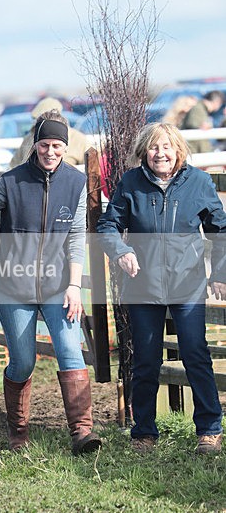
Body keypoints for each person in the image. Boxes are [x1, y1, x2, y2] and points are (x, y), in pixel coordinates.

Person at [0, 110, 102, 455]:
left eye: (57, 145)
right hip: (14, 286)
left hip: (59, 286)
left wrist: (74, 286)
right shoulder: (11, 181)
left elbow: (75, 237)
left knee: (71, 350)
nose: (50, 152)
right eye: (45, 144)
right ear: (35, 144)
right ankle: (18, 432)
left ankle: (82, 433)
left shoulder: (75, 183)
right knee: (23, 361)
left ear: (65, 146)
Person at [97, 122, 226, 454]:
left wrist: (220, 274)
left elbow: (219, 230)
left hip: (188, 285)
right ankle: (144, 433)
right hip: (143, 286)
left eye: (167, 146)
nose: (160, 153)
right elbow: (108, 225)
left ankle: (210, 430)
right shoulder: (131, 183)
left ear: (178, 150)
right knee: (146, 361)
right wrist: (121, 251)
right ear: (144, 152)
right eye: (154, 147)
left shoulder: (198, 182)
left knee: (196, 355)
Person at [9, 97, 90, 169]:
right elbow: (13, 166)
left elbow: (93, 168)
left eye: (56, 146)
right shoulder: (30, 137)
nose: (50, 152)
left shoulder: (78, 139)